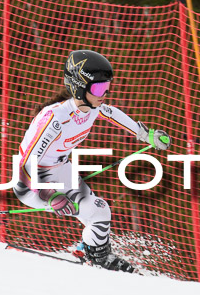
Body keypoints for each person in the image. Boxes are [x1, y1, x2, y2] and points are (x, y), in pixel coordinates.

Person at [13, 50, 171, 273]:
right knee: (97, 211)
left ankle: (90, 253)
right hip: (32, 183)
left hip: (61, 169)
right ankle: (97, 259)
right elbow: (27, 166)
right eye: (98, 88)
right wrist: (51, 196)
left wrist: (145, 134)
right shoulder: (55, 119)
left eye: (107, 88)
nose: (103, 94)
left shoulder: (91, 108)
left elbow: (111, 113)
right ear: (79, 86)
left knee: (99, 212)